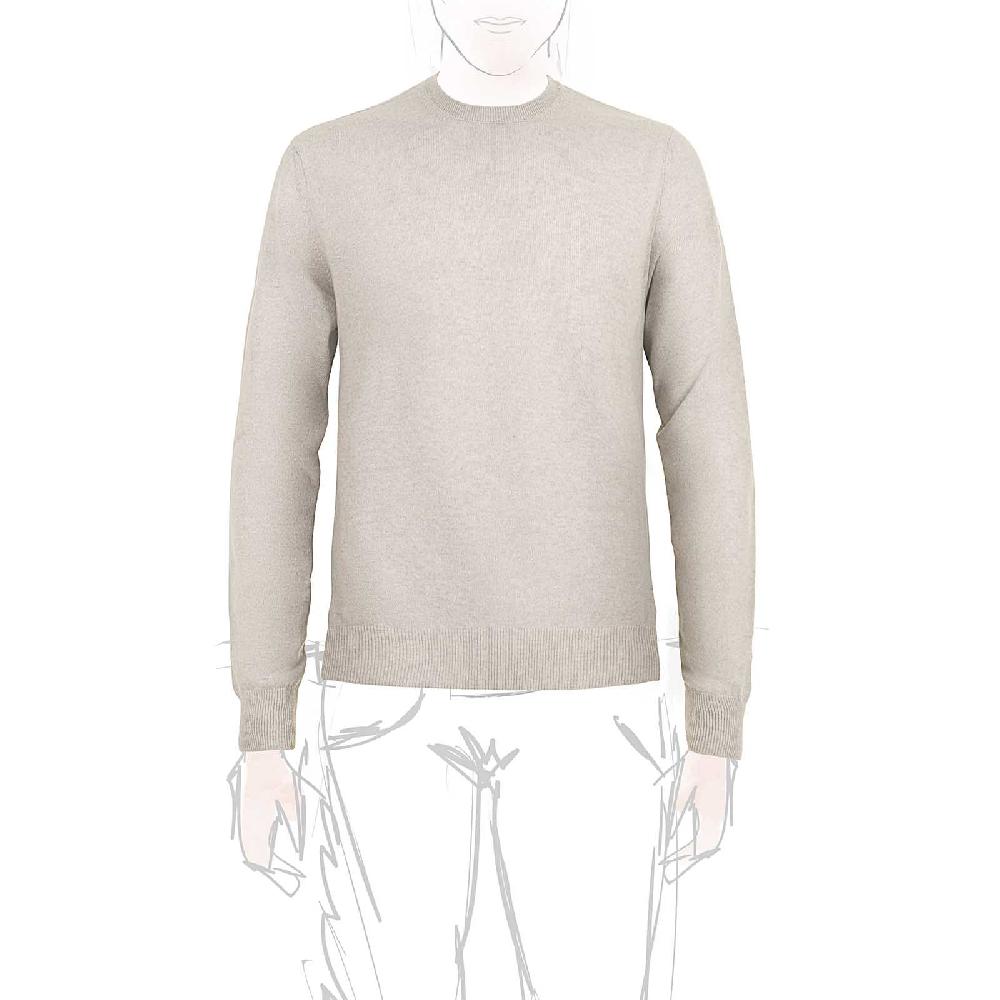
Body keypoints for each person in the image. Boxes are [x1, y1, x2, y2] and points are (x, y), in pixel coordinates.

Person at [228, 2, 754, 993]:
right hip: (385, 709)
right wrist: (264, 728)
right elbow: (273, 450)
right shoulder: (325, 169)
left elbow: (707, 442)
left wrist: (716, 720)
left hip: (595, 711)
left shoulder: (652, 167)